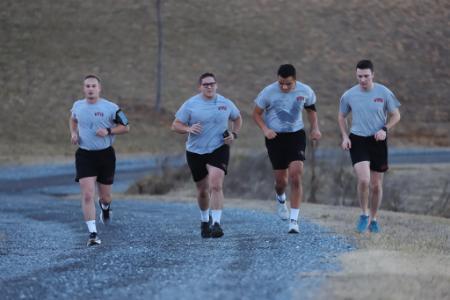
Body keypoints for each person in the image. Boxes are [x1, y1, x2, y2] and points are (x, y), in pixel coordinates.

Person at [171, 73, 242, 238]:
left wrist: (234, 134)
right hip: (196, 151)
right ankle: (205, 221)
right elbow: (175, 125)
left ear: (216, 85)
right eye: (205, 85)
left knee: (216, 184)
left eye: (212, 84)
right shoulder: (191, 104)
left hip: (219, 148)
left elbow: (237, 118)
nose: (209, 87)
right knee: (203, 190)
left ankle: (217, 223)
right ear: (200, 87)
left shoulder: (225, 103)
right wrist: (188, 129)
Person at [253, 64, 321, 234]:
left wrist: (315, 128)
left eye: (288, 84)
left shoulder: (305, 91)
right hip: (275, 137)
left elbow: (311, 110)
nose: (284, 87)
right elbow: (256, 113)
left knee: (296, 175)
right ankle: (281, 199)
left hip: (296, 135)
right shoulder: (268, 92)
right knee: (281, 182)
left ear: (295, 80)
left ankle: (294, 221)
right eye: (281, 83)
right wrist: (265, 130)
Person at [338, 59, 401, 233]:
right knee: (364, 180)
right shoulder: (349, 95)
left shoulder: (385, 93)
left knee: (376, 185)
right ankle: (364, 214)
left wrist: (385, 129)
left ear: (373, 75)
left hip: (378, 141)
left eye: (366, 76)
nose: (363, 80)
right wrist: (345, 137)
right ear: (356, 75)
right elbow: (341, 116)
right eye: (359, 76)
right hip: (357, 140)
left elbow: (396, 115)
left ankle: (373, 219)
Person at [69, 75, 130, 246]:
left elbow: (126, 127)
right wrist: (74, 133)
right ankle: (93, 234)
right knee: (88, 194)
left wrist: (109, 131)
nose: (90, 89)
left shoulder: (111, 107)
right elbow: (73, 119)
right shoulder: (77, 106)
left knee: (105, 196)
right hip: (85, 155)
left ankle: (105, 207)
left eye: (93, 86)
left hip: (105, 155)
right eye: (87, 86)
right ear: (84, 89)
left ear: (99, 88)